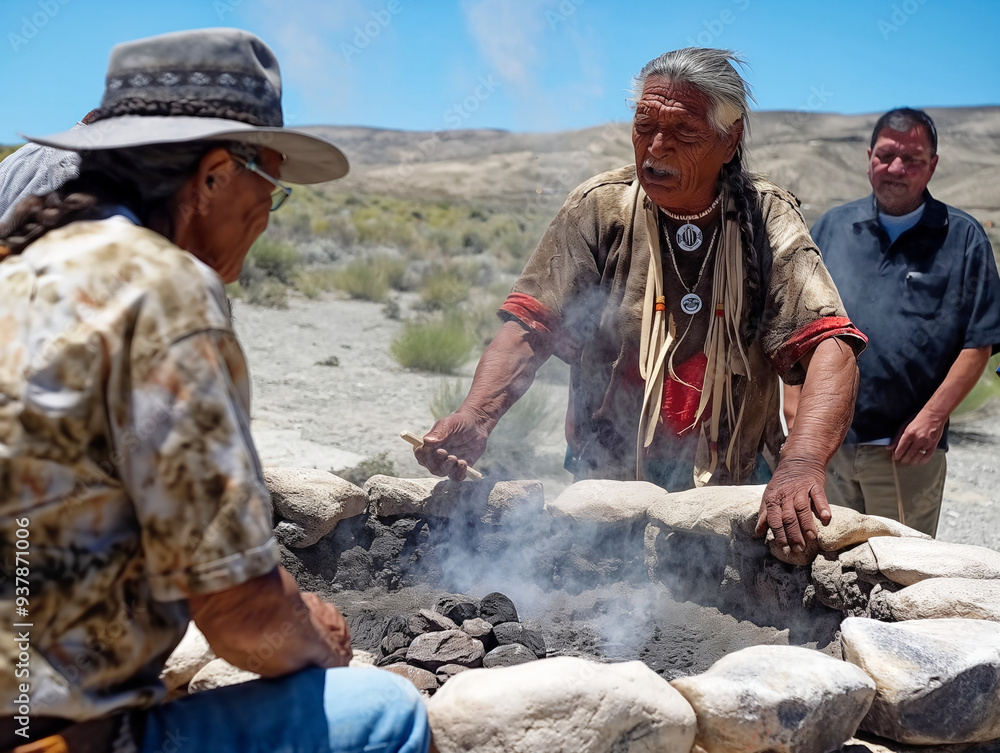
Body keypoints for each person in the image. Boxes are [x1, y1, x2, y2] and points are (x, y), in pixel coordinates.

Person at [0, 28, 430, 753]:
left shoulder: (22, 269)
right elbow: (239, 615)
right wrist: (312, 632)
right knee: (388, 712)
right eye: (271, 183)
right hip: (39, 734)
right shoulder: (164, 289)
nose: (268, 209)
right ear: (213, 177)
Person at [414, 48, 867, 556]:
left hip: (729, 479)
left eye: (682, 133)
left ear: (730, 137)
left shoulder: (765, 217)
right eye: (643, 125)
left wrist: (802, 462)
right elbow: (530, 325)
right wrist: (476, 416)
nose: (654, 148)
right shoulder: (602, 208)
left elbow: (829, 344)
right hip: (609, 474)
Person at [792, 108, 1000, 537]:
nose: (896, 169)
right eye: (886, 156)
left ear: (933, 166)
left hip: (906, 453)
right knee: (826, 566)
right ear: (870, 156)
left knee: (901, 577)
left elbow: (979, 341)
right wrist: (794, 409)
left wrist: (933, 418)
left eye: (913, 159)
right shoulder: (832, 227)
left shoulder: (961, 238)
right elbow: (797, 324)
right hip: (827, 447)